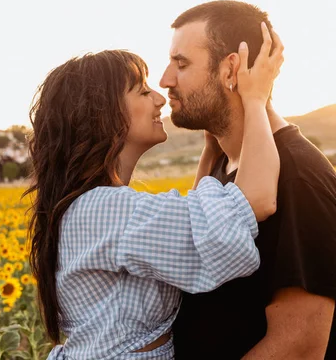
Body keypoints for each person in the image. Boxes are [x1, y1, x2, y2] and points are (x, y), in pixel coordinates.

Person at [24, 23, 283, 359]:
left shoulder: (89, 205)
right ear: (104, 115)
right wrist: (255, 98)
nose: (160, 97)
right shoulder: (104, 208)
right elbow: (254, 202)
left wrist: (210, 153)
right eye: (143, 91)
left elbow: (191, 226)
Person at [161, 0, 336, 359]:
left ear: (232, 69)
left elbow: (299, 346)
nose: (165, 80)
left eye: (181, 64)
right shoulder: (222, 163)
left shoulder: (298, 176)